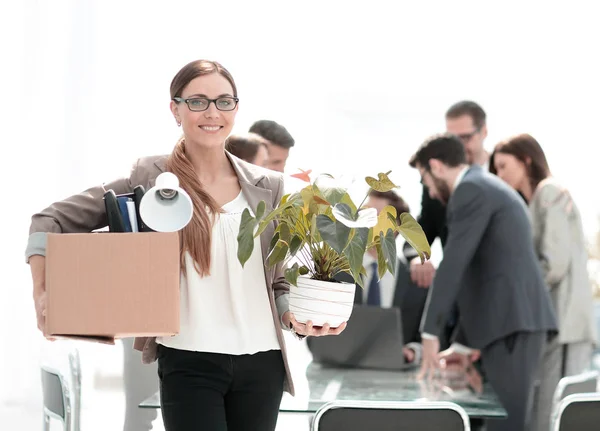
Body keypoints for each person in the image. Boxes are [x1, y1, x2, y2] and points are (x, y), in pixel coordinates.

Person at [25, 59, 346, 431]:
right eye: (197, 101)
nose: (212, 112)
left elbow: (273, 282)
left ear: (236, 109)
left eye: (224, 101)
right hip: (189, 362)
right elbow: (49, 220)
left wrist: (296, 317)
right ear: (175, 109)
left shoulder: (268, 186)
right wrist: (43, 293)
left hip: (263, 364)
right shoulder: (150, 178)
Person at [409, 133, 558, 431]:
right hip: (512, 323)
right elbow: (481, 273)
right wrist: (462, 345)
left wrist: (429, 334)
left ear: (436, 167)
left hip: (514, 323)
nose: (427, 188)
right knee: (503, 422)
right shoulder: (484, 186)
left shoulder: (470, 190)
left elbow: (453, 264)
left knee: (508, 425)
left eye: (424, 178)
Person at [490, 133, 597, 431]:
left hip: (563, 321)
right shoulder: (538, 199)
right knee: (546, 410)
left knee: (554, 412)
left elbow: (555, 263)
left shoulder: (549, 192)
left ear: (525, 159)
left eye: (503, 166)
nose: (500, 175)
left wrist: (515, 290)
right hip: (556, 320)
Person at [404, 101, 489, 350]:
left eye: (466, 137)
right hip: (455, 311)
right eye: (454, 138)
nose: (459, 146)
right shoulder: (434, 182)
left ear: (484, 132)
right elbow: (420, 231)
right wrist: (416, 257)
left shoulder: (503, 172)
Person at [357, 190, 429, 364]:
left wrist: (412, 351)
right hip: (339, 374)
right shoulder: (337, 274)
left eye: (377, 216)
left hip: (397, 378)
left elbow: (428, 337)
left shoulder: (417, 280)